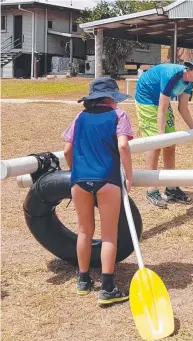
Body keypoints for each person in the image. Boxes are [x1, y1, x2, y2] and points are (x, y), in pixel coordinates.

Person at [62, 77, 133, 305]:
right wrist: (129, 175)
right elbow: (123, 145)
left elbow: (67, 149)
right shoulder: (119, 115)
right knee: (109, 233)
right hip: (107, 178)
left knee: (84, 231)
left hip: (79, 179)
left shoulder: (80, 116)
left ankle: (83, 280)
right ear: (112, 98)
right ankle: (108, 287)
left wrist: (75, 170)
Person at [134, 55, 193, 208]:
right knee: (156, 144)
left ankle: (171, 188)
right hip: (147, 98)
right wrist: (160, 137)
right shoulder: (172, 75)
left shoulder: (190, 81)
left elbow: (182, 108)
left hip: (160, 103)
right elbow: (162, 108)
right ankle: (151, 188)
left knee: (171, 144)